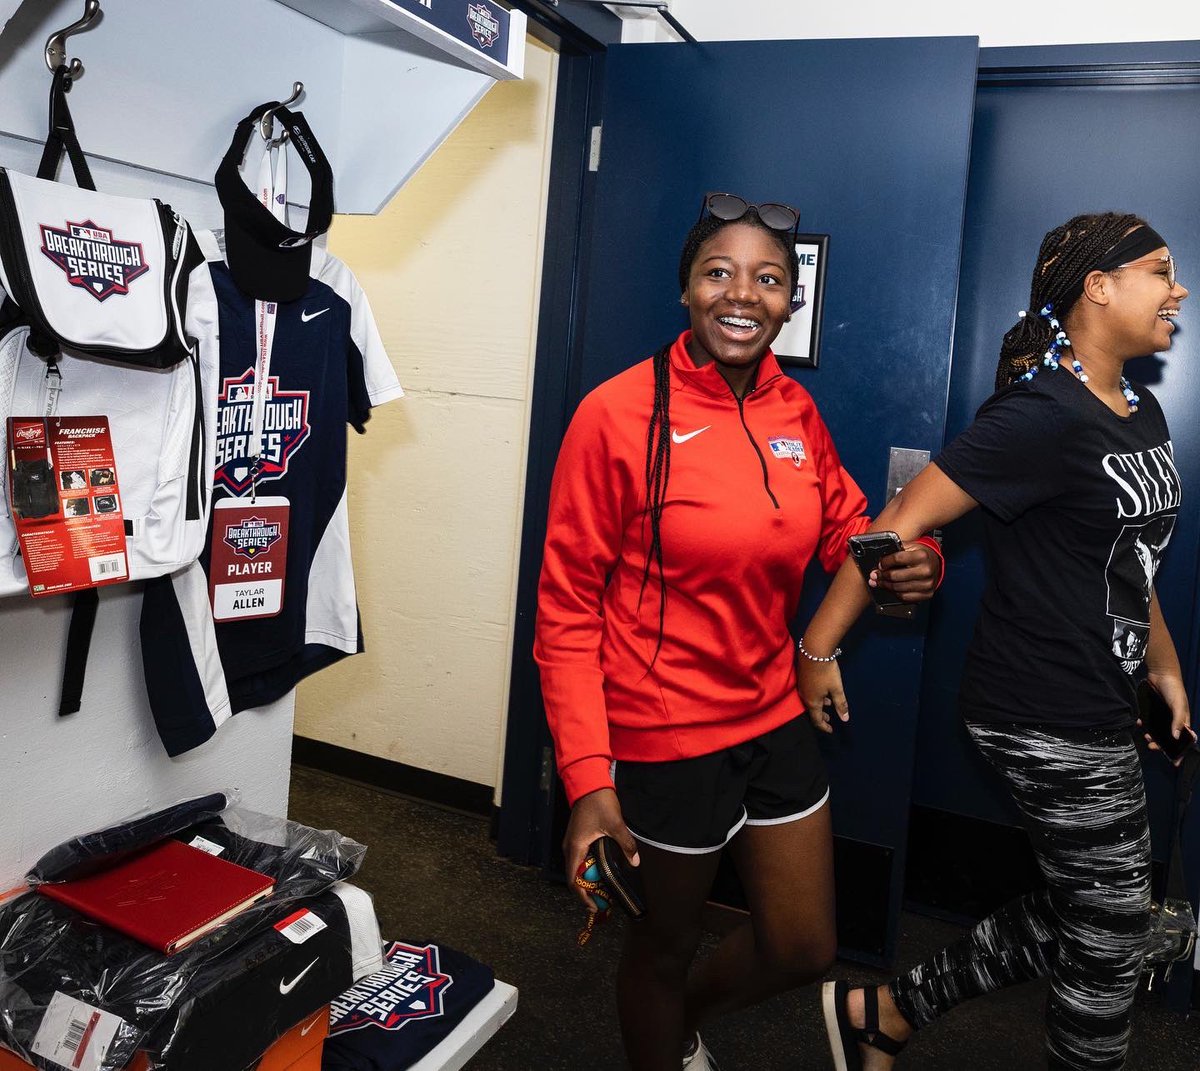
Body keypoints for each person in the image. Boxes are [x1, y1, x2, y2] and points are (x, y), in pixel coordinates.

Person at [533, 192, 945, 1071]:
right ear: (686, 289)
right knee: (662, 945)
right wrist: (587, 780)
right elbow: (566, 611)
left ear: (790, 303)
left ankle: (674, 1022)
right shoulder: (615, 413)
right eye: (719, 272)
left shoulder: (795, 410)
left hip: (772, 710)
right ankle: (661, 1037)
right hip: (663, 730)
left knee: (804, 943)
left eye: (768, 279)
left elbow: (846, 531)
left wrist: (917, 560)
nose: (742, 294)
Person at [802, 213, 1192, 1071]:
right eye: (1161, 271)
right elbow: (898, 518)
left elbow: (1132, 560)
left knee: (1094, 908)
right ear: (1098, 286)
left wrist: (1162, 665)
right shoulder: (1041, 412)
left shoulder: (1141, 408)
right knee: (1112, 934)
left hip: (1097, 694)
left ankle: (886, 1011)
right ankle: (892, 1013)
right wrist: (818, 647)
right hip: (1039, 704)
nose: (1180, 289)